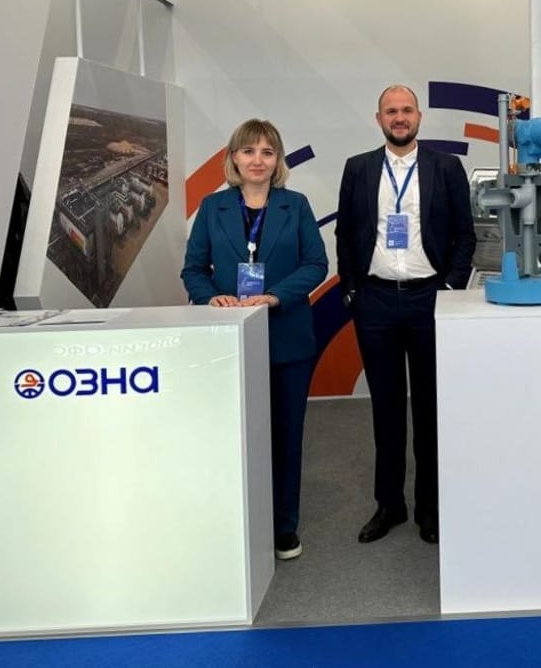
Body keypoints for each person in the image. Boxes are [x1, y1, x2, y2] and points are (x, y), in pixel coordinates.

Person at [181, 119, 328, 561]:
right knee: (235, 434)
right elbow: (193, 269)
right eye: (248, 151)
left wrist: (275, 295)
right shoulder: (213, 207)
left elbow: (316, 264)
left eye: (267, 152)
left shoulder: (295, 205)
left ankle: (283, 525)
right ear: (234, 158)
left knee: (286, 434)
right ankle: (239, 521)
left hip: (287, 336)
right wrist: (212, 297)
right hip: (231, 339)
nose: (257, 160)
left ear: (277, 160)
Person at [336, 85, 476, 545]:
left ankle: (429, 507)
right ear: (379, 118)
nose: (400, 117)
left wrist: (450, 289)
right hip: (375, 300)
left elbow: (465, 235)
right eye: (391, 111)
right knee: (386, 407)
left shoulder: (445, 167)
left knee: (431, 407)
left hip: (429, 299)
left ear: (419, 116)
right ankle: (389, 504)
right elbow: (345, 234)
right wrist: (352, 290)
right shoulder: (358, 168)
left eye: (407, 110)